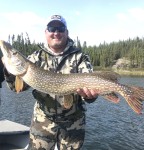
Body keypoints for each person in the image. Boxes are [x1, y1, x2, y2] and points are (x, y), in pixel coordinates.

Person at [2, 15, 99, 150]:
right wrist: (8, 69)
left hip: (73, 123)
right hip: (42, 121)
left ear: (66, 32)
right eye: (52, 28)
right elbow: (17, 88)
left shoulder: (80, 57)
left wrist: (91, 96)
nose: (56, 32)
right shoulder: (35, 58)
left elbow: (89, 90)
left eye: (61, 28)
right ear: (46, 32)